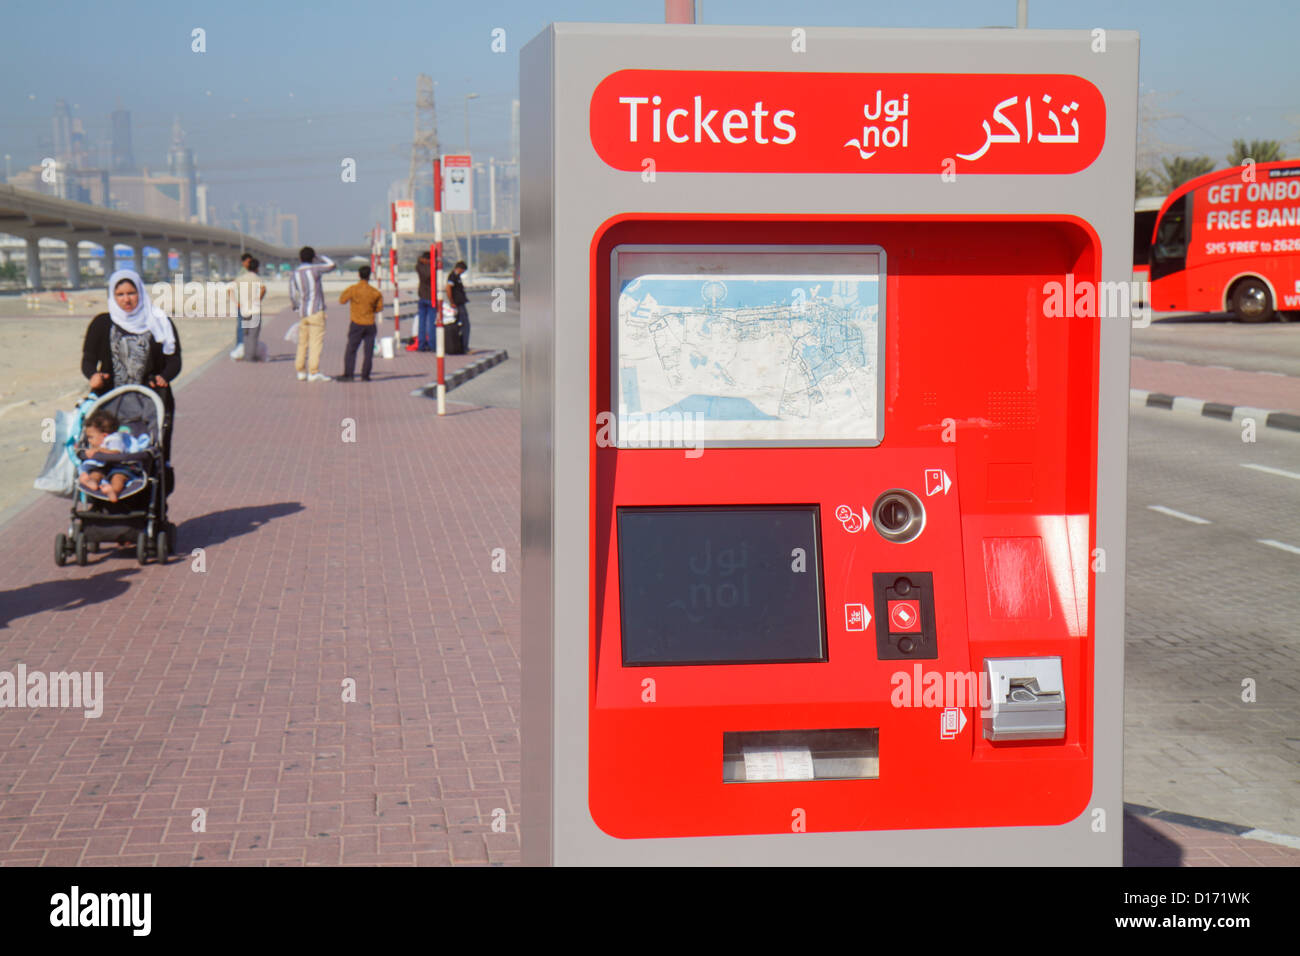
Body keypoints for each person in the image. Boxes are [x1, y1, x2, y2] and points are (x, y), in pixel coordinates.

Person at [81, 269, 181, 476]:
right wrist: (93, 376)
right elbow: (88, 360)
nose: (126, 299)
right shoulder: (102, 324)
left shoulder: (159, 321)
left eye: (131, 293)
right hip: (110, 402)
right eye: (120, 294)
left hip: (151, 401)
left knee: (153, 452)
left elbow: (174, 360)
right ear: (112, 296)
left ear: (141, 293)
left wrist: (164, 377)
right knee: (106, 449)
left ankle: (155, 498)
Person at [288, 246, 336, 382]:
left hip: (303, 313)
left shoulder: (295, 273)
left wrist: (297, 308)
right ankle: (313, 371)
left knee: (302, 343)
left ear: (300, 258)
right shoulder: (315, 269)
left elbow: (292, 294)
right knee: (315, 342)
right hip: (316, 311)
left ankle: (300, 370)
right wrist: (318, 257)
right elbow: (332, 265)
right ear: (312, 258)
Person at [338, 266, 384, 381]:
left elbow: (342, 300)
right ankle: (365, 375)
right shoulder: (375, 292)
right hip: (370, 323)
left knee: (351, 349)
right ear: (369, 276)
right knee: (368, 352)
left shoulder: (353, 289)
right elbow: (379, 308)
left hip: (356, 323)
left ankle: (349, 374)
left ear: (359, 275)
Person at [77, 409, 135, 502]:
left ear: (104, 435)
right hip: (105, 466)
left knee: (118, 477)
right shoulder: (100, 442)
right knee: (96, 473)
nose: (89, 441)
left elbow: (116, 453)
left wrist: (99, 450)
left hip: (120, 466)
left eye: (91, 437)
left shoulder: (115, 438)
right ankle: (92, 481)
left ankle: (114, 491)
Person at [238, 257, 267, 362]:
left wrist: (237, 302)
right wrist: (259, 299)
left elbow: (231, 288)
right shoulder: (257, 278)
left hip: (244, 310)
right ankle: (251, 356)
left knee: (246, 334)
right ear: (257, 268)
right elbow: (263, 288)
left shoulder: (242, 278)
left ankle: (247, 355)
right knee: (253, 335)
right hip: (254, 310)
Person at [230, 252, 253, 360]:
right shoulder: (242, 274)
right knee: (241, 327)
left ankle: (244, 348)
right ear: (243, 262)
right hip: (242, 304)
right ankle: (240, 348)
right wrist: (237, 302)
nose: (250, 264)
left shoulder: (248, 273)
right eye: (249, 262)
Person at [446, 260, 470, 353]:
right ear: (459, 269)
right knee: (465, 325)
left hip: (460, 303)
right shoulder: (452, 276)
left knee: (461, 325)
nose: (463, 272)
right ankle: (464, 347)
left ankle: (461, 346)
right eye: (463, 270)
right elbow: (448, 288)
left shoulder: (457, 277)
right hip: (458, 304)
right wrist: (451, 301)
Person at [415, 251, 434, 351]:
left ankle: (421, 345)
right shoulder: (433, 268)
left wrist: (421, 259)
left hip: (422, 296)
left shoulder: (419, 267)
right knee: (431, 323)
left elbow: (418, 263)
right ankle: (432, 345)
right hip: (431, 297)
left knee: (421, 323)